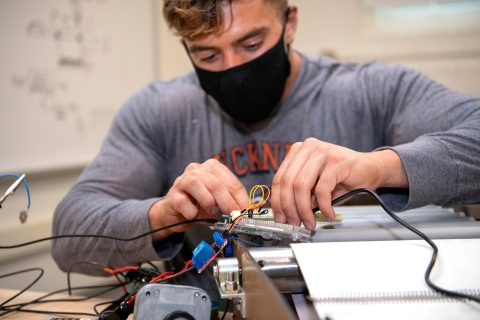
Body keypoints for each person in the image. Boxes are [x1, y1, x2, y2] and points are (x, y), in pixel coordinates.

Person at [52, 0, 480, 276]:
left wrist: (375, 166)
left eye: (251, 43)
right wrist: (165, 214)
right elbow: (68, 235)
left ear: (289, 22)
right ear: (186, 47)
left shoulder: (371, 91)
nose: (233, 70)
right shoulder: (158, 111)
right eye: (208, 54)